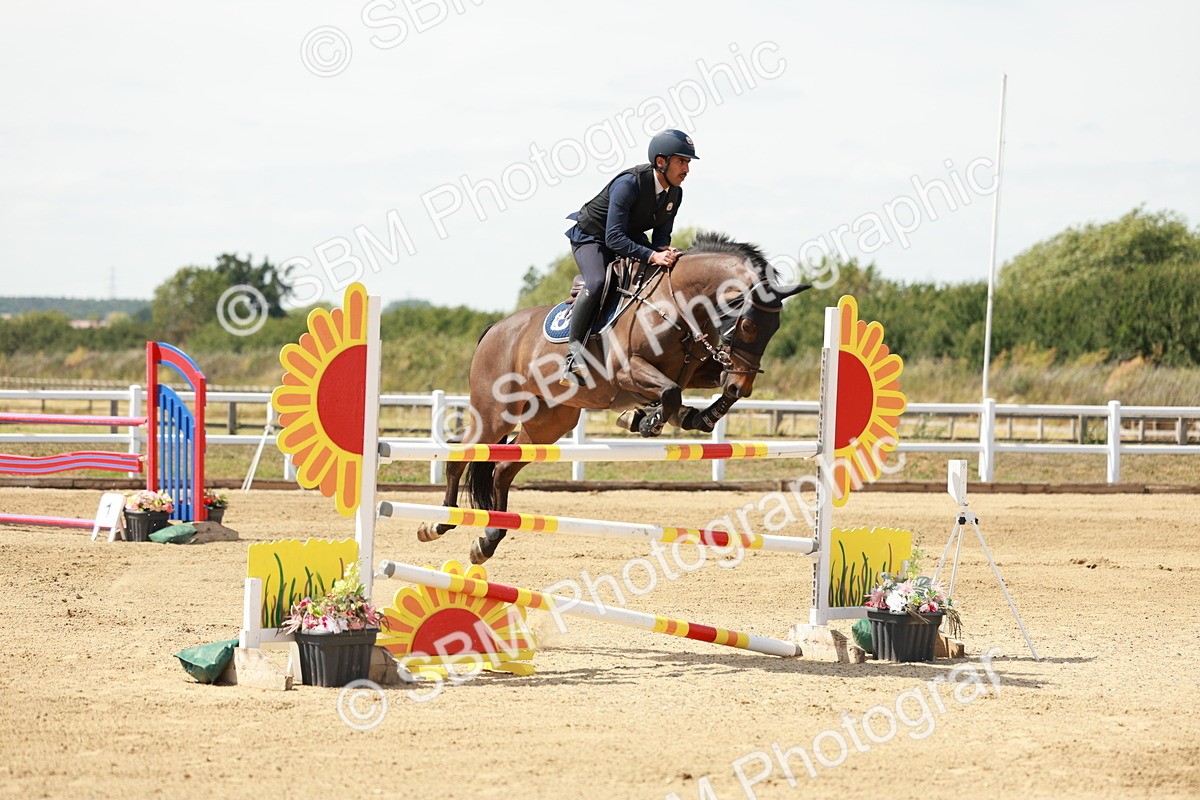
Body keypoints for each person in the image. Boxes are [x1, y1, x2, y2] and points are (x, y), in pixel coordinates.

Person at [560, 129, 698, 383]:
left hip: (627, 237)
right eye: (681, 161)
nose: (686, 169)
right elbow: (613, 238)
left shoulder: (675, 194)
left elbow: (660, 238)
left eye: (688, 162)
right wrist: (652, 256)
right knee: (598, 282)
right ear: (661, 161)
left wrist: (663, 251)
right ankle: (573, 355)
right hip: (592, 237)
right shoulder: (629, 184)